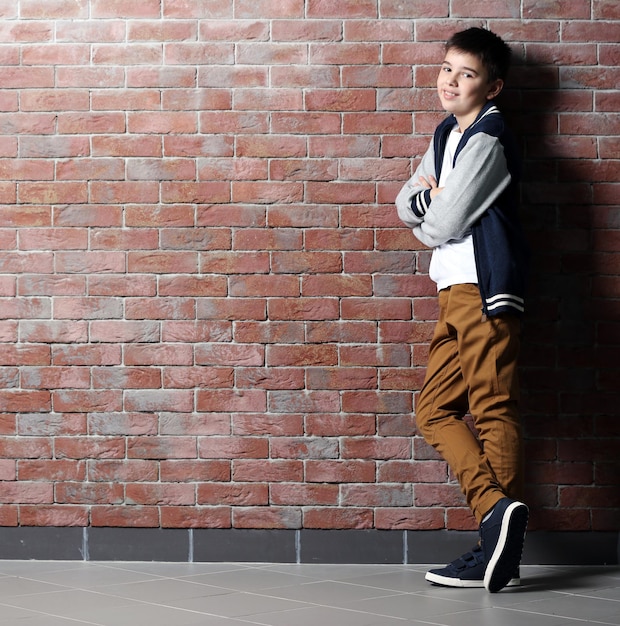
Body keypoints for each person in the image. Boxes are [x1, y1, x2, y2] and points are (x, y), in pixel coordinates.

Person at [395, 27, 529, 593]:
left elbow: (442, 225)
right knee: (433, 411)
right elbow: (406, 202)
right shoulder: (448, 132)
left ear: (491, 87)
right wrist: (430, 201)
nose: (451, 80)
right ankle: (499, 516)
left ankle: (496, 543)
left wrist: (431, 204)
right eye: (447, 68)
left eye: (466, 74)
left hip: (483, 289)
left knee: (492, 408)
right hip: (451, 289)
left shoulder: (488, 138)